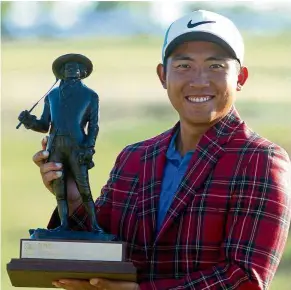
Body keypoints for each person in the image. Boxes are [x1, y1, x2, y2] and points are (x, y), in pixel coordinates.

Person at [33, 10, 291, 290]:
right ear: (162, 75)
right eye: (184, 66)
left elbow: (244, 279)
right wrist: (73, 201)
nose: (199, 80)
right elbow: (103, 246)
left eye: (216, 66)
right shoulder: (134, 158)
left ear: (240, 77)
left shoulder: (261, 160)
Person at [19, 54, 103, 233]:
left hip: (77, 147)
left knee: (84, 187)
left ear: (82, 73)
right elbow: (44, 124)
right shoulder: (52, 95)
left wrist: (89, 148)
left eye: (75, 68)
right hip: (55, 146)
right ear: (61, 73)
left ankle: (95, 226)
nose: (71, 70)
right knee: (59, 188)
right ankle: (63, 224)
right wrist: (29, 121)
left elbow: (93, 127)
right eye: (67, 68)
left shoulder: (90, 96)